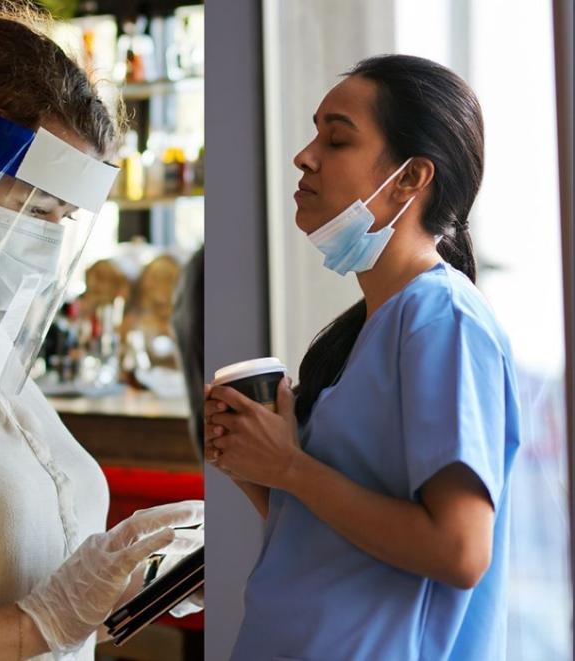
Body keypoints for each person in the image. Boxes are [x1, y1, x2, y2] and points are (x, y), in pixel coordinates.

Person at [0, 7, 202, 660]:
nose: (45, 243)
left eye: (64, 219)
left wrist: (126, 583)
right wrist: (35, 621)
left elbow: (34, 593)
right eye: (37, 211)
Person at [205, 54, 519, 661]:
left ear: (409, 179)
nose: (304, 155)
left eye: (337, 137)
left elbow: (458, 551)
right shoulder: (370, 328)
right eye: (313, 132)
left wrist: (292, 469)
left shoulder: (442, 319)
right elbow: (337, 539)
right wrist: (261, 465)